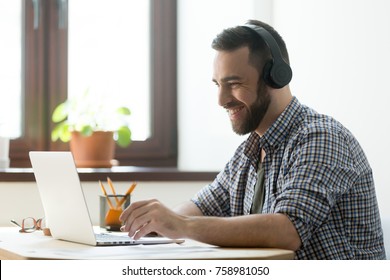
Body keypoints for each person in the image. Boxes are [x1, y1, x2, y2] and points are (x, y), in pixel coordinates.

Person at [120, 19, 386, 260]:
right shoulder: (248, 152)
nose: (221, 100)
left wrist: (180, 225)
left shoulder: (321, 138)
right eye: (218, 85)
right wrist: (156, 222)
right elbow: (201, 207)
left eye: (234, 83)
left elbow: (288, 230)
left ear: (275, 77)